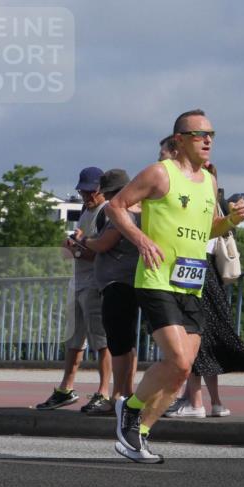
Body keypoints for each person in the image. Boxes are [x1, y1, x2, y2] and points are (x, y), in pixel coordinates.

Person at [105, 110, 244, 463]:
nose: (208, 140)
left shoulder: (209, 182)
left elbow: (205, 231)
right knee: (179, 358)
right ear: (179, 140)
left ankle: (136, 431)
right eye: (200, 134)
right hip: (157, 279)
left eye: (211, 134)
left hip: (192, 283)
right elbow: (116, 206)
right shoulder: (159, 173)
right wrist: (141, 240)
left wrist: (230, 220)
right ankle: (131, 410)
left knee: (183, 369)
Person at [165, 157, 244, 418]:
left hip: (195, 267)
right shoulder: (215, 202)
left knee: (193, 335)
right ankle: (213, 402)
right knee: (207, 336)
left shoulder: (197, 200)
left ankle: (194, 402)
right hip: (209, 272)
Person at [35, 167, 113, 413]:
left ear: (102, 190)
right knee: (74, 339)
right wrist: (70, 244)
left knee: (101, 341)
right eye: (83, 191)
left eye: (92, 191)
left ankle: (103, 391)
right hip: (77, 282)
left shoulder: (106, 212)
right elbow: (67, 253)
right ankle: (65, 388)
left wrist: (78, 246)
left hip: (95, 284)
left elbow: (101, 251)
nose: (87, 196)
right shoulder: (84, 211)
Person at [83, 169, 140, 412]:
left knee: (118, 343)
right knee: (127, 342)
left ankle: (118, 395)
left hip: (117, 282)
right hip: (132, 280)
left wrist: (83, 241)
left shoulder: (121, 211)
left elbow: (104, 243)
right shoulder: (141, 210)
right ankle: (127, 393)